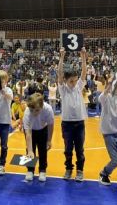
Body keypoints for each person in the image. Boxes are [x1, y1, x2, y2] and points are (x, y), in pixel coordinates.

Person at [58, 47, 87, 182]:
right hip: (67, 124)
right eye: (71, 81)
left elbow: (84, 73)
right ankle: (68, 168)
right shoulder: (63, 89)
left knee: (80, 150)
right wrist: (62, 57)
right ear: (66, 80)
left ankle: (80, 170)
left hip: (80, 123)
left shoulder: (78, 87)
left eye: (75, 80)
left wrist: (83, 56)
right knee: (68, 149)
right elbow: (59, 74)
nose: (74, 83)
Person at [23, 93, 54, 182]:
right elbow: (28, 133)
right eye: (32, 110)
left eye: (36, 110)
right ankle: (30, 170)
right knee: (30, 150)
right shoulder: (27, 112)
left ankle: (42, 170)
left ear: (42, 105)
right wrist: (29, 150)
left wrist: (49, 140)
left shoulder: (48, 109)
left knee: (43, 151)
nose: (34, 113)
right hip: (31, 131)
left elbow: (50, 126)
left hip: (43, 129)